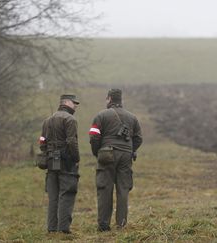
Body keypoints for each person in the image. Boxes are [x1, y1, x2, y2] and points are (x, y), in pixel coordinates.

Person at [89, 88, 142, 231]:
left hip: (106, 154)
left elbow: (94, 136)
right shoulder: (132, 117)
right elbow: (138, 138)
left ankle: (104, 225)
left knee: (104, 189)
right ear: (121, 100)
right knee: (123, 189)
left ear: (109, 99)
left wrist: (98, 152)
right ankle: (121, 224)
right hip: (126, 156)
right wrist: (129, 150)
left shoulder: (101, 115)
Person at [39, 94, 80, 234]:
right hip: (66, 161)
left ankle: (51, 228)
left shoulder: (47, 121)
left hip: (50, 161)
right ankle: (63, 229)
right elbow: (71, 141)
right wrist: (75, 158)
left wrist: (47, 152)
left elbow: (42, 141)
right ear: (66, 103)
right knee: (67, 194)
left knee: (53, 195)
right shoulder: (70, 119)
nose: (75, 106)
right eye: (74, 103)